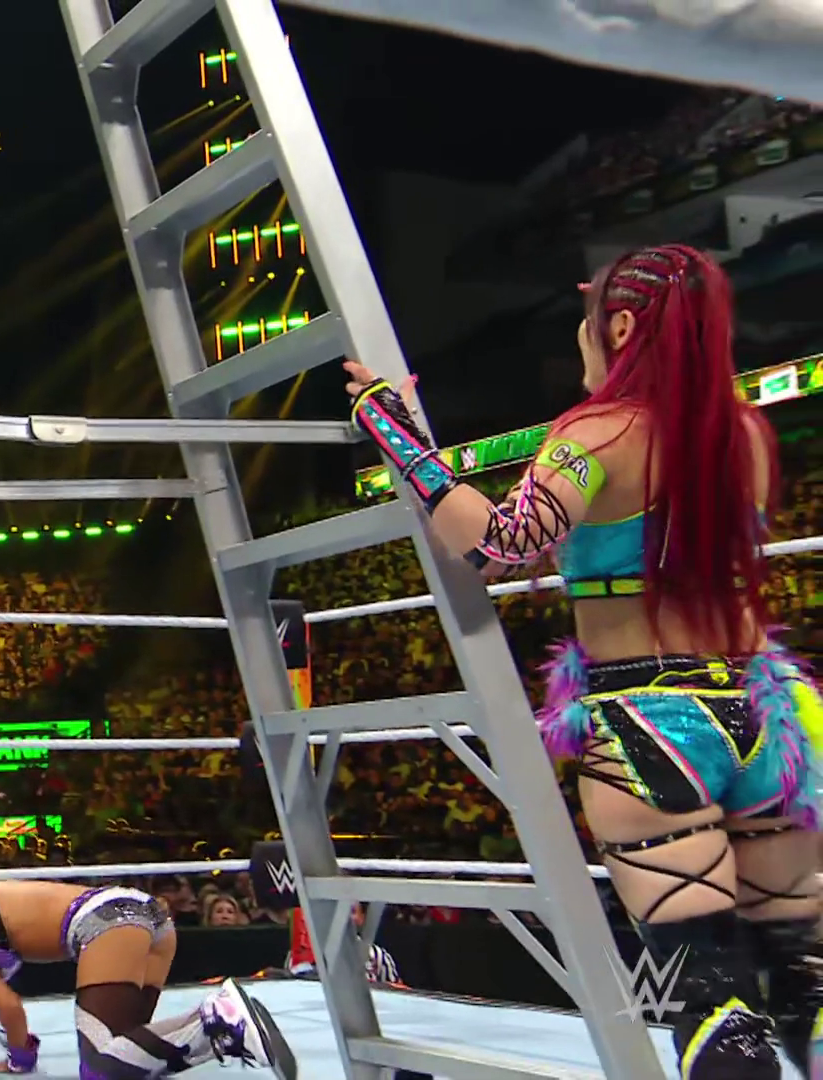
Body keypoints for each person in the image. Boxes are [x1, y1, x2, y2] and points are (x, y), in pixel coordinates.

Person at [343, 243, 821, 1080]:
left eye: (588, 326)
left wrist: (390, 427)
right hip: (767, 717)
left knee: (708, 994)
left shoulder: (598, 432)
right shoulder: (745, 433)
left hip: (654, 725)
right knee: (805, 979)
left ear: (623, 328)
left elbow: (499, 543)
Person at [0, 881, 294, 1078]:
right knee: (126, 1054)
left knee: (102, 1069)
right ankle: (223, 1028)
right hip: (150, 917)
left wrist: (20, 1060)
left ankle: (219, 1020)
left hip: (107, 921)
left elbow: (8, 1005)